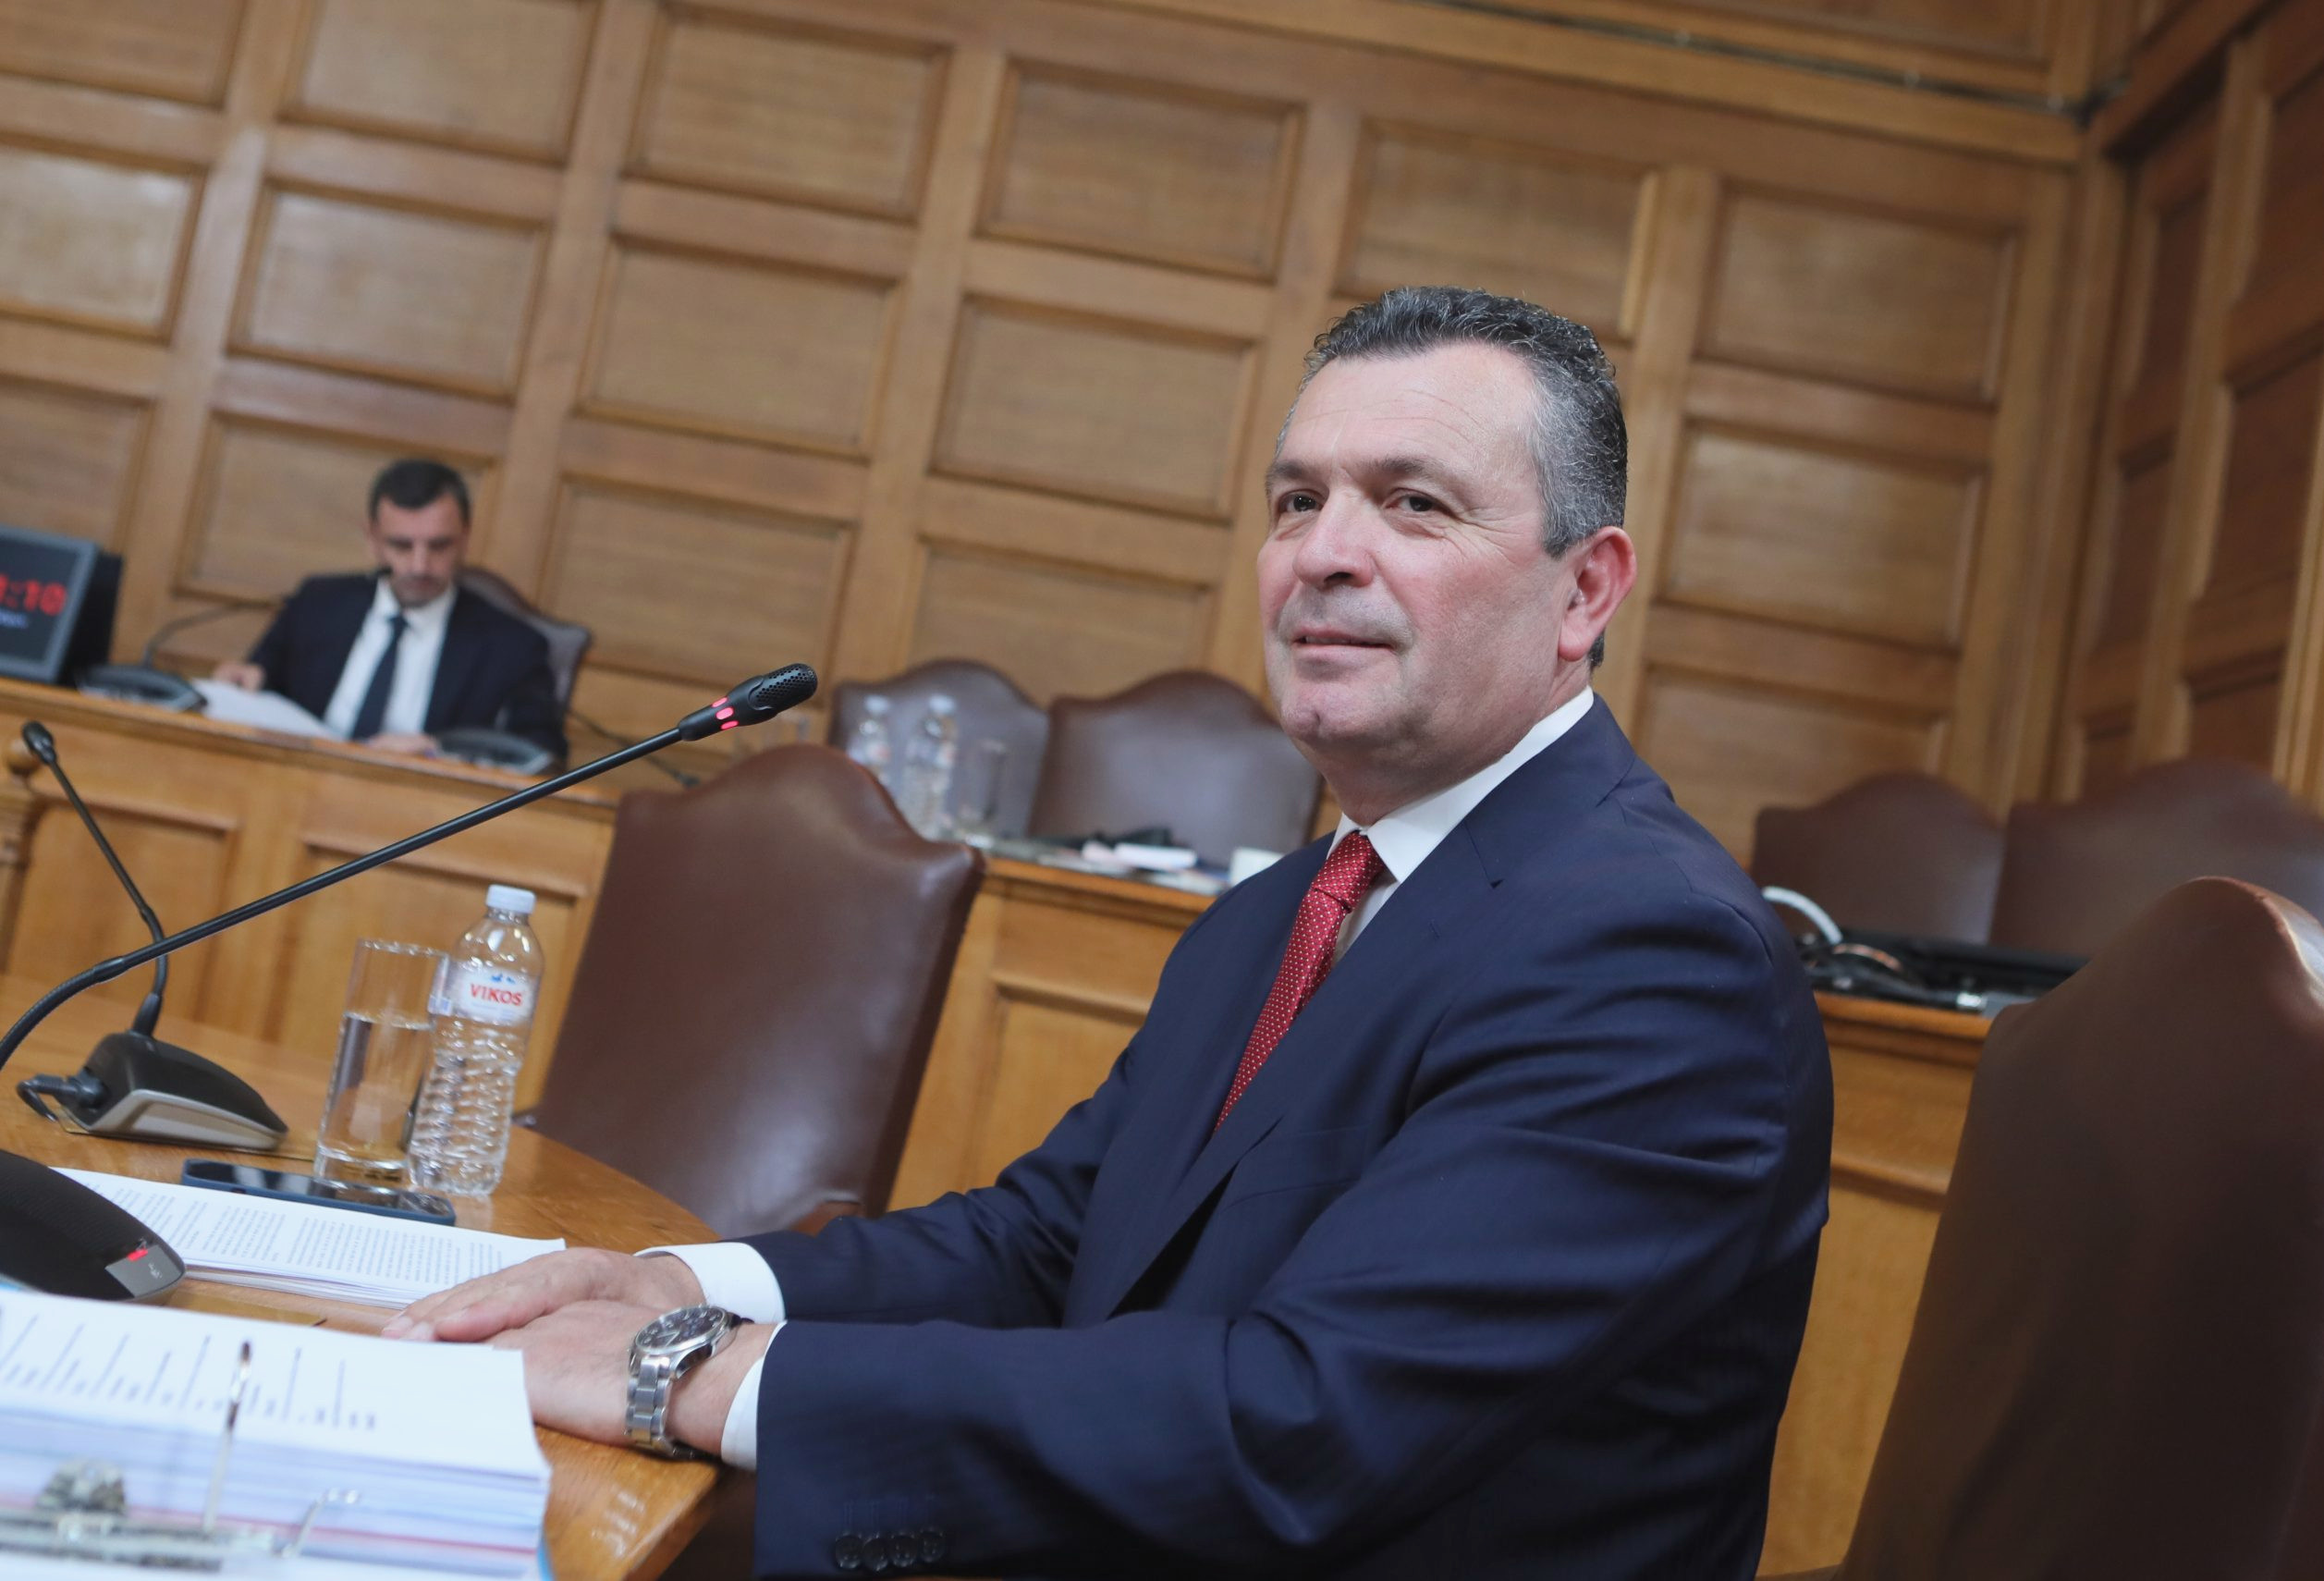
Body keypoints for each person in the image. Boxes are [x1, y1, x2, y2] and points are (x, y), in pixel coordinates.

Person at [387, 288, 1832, 1578]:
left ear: (1585, 590)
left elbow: (1301, 1421)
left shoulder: (1653, 956)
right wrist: (677, 1284)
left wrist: (688, 1373)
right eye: (1296, 500)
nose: (1323, 554)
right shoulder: (1286, 907)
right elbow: (1049, 1244)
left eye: (1413, 504)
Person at [214, 459, 567, 762]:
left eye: (439, 546)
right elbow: (261, 680)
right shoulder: (317, 603)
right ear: (373, 538)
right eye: (401, 545)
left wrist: (440, 750)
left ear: (465, 538)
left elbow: (543, 753)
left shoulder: (511, 646)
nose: (420, 566)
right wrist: (242, 682)